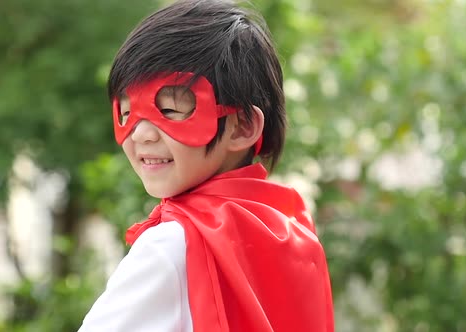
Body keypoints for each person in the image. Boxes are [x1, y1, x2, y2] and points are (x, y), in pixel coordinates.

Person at [78, 0, 334, 331]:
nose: (140, 134)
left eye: (169, 110)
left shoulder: (170, 248)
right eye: (126, 114)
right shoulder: (292, 232)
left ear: (241, 126)